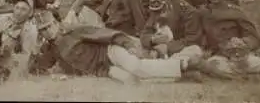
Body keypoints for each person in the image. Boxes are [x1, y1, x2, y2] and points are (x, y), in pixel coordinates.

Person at [29, 10, 194, 83]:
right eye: (42, 30)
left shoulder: (74, 32)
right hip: (104, 70)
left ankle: (184, 64)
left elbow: (103, 33)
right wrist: (36, 49)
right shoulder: (51, 50)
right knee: (134, 81)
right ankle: (184, 74)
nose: (47, 31)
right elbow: (36, 68)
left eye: (49, 26)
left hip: (110, 53)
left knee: (136, 67)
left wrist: (126, 43)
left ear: (56, 23)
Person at [140, 0, 204, 79]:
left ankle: (159, 69)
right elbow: (145, 33)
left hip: (179, 50)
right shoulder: (157, 8)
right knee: (136, 47)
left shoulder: (189, 10)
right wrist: (153, 40)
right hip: (158, 49)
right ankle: (182, 73)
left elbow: (192, 38)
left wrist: (167, 47)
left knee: (195, 51)